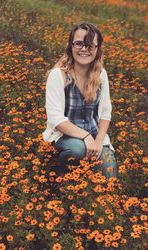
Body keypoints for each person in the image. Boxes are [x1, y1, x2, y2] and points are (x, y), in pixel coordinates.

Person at [42, 22, 117, 179]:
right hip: (64, 135)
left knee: (109, 169)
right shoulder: (59, 75)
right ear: (70, 46)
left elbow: (105, 114)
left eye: (90, 45)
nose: (84, 49)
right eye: (78, 44)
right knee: (77, 149)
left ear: (97, 49)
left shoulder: (101, 75)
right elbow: (55, 119)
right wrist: (85, 136)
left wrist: (98, 142)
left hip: (95, 135)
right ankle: (60, 180)